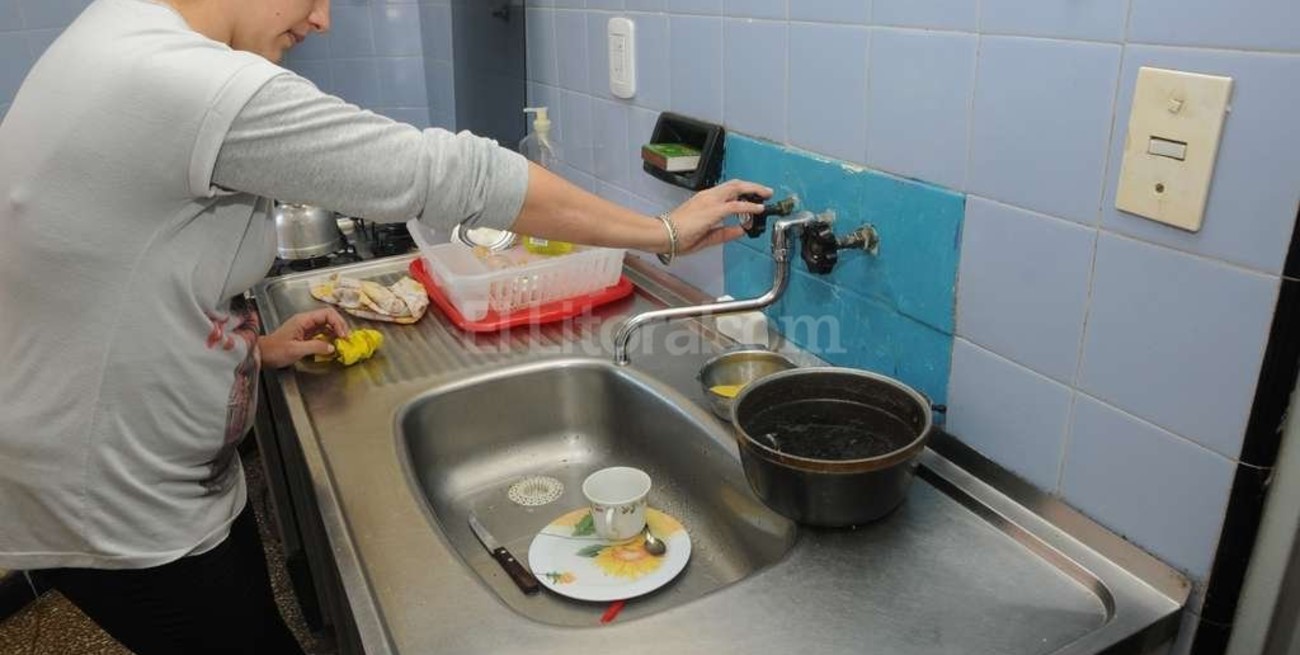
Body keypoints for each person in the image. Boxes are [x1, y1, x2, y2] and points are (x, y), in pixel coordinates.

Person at [0, 0, 772, 652]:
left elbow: (114, 271)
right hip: (116, 505)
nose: (324, 18)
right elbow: (451, 173)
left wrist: (250, 350)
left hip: (112, 472)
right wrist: (663, 233)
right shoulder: (180, 81)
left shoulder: (118, 33)